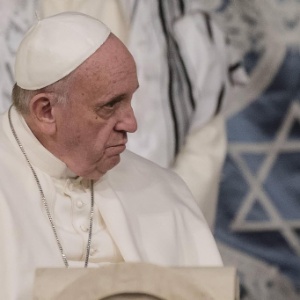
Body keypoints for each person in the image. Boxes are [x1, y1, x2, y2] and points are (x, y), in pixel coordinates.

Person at [0, 12, 222, 300]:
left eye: (130, 99)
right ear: (46, 111)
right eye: (110, 105)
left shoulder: (164, 191)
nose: (131, 124)